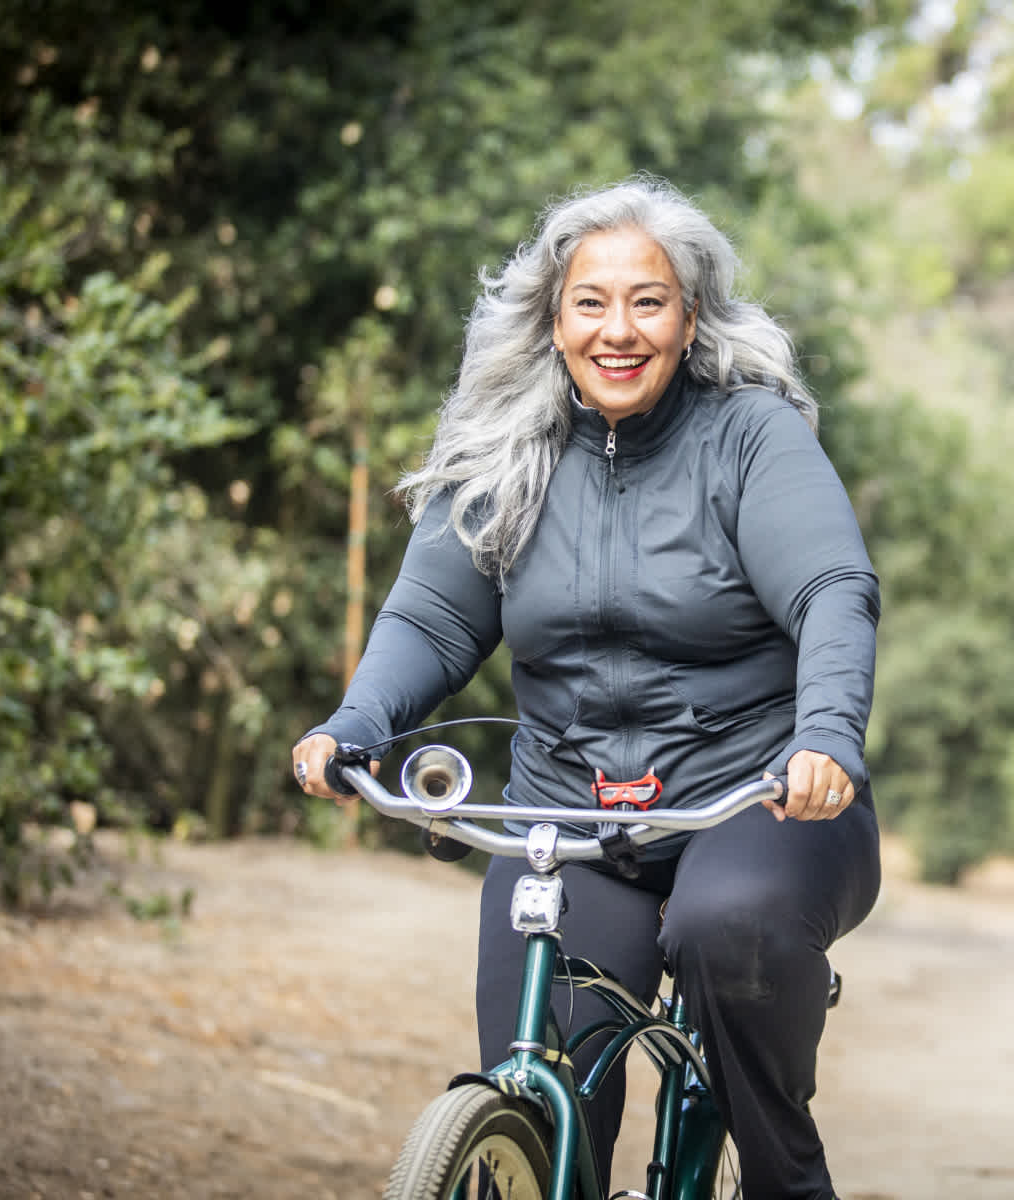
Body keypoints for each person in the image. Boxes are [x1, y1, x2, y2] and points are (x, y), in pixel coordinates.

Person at [291, 175, 880, 1200]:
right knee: (543, 1073)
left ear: (689, 319)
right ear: (554, 320)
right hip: (569, 818)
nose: (620, 329)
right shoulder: (504, 451)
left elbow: (833, 588)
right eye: (591, 302)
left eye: (647, 301)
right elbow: (433, 617)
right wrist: (355, 726)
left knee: (725, 926)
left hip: (759, 801)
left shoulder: (752, 438)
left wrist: (825, 736)